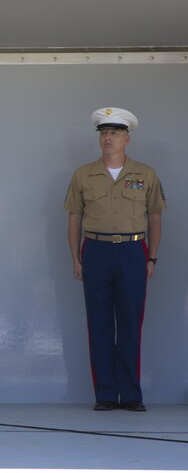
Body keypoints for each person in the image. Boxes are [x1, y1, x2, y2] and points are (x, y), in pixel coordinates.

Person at [64, 107, 166, 412]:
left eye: (115, 133)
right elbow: (74, 219)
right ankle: (105, 394)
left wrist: (152, 257)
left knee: (131, 322)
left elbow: (155, 217)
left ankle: (131, 393)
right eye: (104, 133)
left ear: (128, 138)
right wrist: (75, 259)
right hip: (95, 250)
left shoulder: (145, 174)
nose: (108, 138)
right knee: (99, 323)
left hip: (133, 252)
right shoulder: (84, 174)